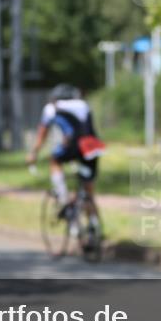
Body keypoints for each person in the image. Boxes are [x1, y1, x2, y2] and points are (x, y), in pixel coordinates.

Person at [26, 84, 105, 225]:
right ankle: (94, 224)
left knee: (55, 161)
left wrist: (33, 153)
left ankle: (63, 198)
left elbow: (42, 134)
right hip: (91, 148)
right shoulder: (83, 104)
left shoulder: (51, 107)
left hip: (72, 147)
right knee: (88, 190)